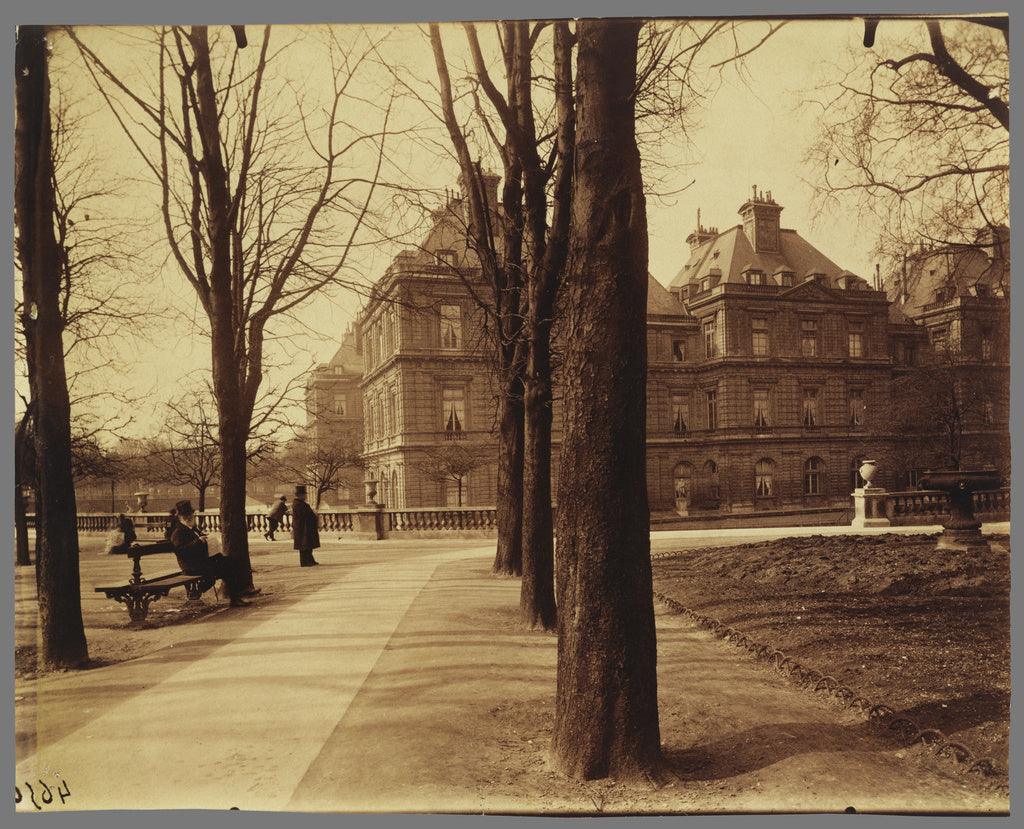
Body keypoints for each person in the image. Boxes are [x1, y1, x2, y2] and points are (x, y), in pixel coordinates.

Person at [169, 500, 251, 607]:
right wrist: (198, 542)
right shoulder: (178, 532)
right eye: (185, 516)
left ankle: (236, 597)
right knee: (227, 566)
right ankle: (234, 597)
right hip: (192, 566)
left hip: (202, 562)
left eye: (190, 515)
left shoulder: (192, 529)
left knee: (231, 562)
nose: (189, 517)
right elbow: (180, 551)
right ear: (180, 518)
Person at [291, 485, 320, 567]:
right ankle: (305, 562)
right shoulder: (298, 504)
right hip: (303, 528)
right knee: (304, 546)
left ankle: (310, 560)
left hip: (305, 527)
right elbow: (304, 515)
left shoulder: (300, 503)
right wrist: (314, 513)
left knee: (307, 545)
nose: (306, 496)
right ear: (300, 495)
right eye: (304, 494)